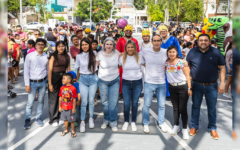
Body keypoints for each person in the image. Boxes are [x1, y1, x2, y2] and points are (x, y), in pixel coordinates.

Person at [187, 34, 225, 140]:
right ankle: (194, 126)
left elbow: (222, 67)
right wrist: (188, 86)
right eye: (201, 40)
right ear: (197, 41)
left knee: (212, 108)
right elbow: (186, 68)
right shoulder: (192, 51)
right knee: (195, 106)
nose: (203, 42)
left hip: (212, 86)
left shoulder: (216, 52)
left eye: (205, 40)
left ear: (209, 41)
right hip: (196, 85)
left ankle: (212, 128)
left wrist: (222, 83)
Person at [142, 34, 168, 134]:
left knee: (161, 105)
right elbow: (135, 56)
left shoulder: (165, 52)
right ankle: (145, 123)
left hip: (161, 83)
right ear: (152, 42)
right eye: (154, 41)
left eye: (158, 41)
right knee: (146, 105)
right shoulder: (145, 51)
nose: (156, 42)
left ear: (161, 42)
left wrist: (184, 61)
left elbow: (175, 58)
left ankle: (161, 123)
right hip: (149, 82)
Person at [165, 46, 191, 140]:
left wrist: (189, 88)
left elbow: (188, 76)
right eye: (170, 52)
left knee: (182, 108)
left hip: (182, 87)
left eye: (173, 52)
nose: (171, 53)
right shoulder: (166, 62)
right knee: (175, 108)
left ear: (177, 53)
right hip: (172, 87)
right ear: (167, 53)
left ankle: (184, 129)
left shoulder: (182, 62)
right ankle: (176, 125)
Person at [23, 38, 49, 129]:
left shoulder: (46, 56)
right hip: (32, 83)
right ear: (35, 45)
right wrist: (27, 84)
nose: (40, 46)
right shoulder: (29, 56)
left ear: (45, 46)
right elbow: (26, 71)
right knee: (30, 102)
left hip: (43, 82)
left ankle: (38, 117)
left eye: (42, 44)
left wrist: (47, 82)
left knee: (41, 101)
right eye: (39, 44)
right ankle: (27, 119)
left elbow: (47, 70)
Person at [119, 40, 144, 132]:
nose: (130, 49)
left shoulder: (140, 57)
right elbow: (116, 67)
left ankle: (133, 121)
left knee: (134, 103)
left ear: (135, 48)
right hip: (126, 82)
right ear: (126, 48)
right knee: (126, 104)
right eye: (128, 47)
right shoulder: (122, 58)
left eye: (132, 47)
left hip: (137, 83)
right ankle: (126, 121)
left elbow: (149, 65)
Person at [96, 37, 120, 131]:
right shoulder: (99, 54)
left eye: (111, 44)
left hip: (115, 80)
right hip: (102, 81)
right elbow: (95, 66)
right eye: (107, 44)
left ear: (113, 45)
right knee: (105, 103)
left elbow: (120, 64)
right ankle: (106, 120)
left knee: (113, 103)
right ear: (104, 45)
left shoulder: (117, 53)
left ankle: (113, 122)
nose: (109, 46)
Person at [75, 38, 98, 132]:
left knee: (91, 101)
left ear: (90, 45)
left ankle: (91, 118)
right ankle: (82, 121)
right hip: (83, 79)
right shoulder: (79, 56)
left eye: (86, 44)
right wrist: (76, 80)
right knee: (84, 102)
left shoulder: (95, 54)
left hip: (93, 78)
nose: (84, 46)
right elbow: (78, 69)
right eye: (83, 44)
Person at [48, 41, 71, 127]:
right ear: (56, 47)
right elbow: (50, 70)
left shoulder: (67, 56)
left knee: (63, 98)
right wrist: (50, 84)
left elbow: (68, 69)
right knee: (53, 99)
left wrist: (70, 81)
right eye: (59, 46)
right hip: (54, 78)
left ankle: (62, 117)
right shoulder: (53, 56)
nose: (61, 48)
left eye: (62, 46)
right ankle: (53, 119)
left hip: (64, 79)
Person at [116, 25, 139, 99]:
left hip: (132, 61)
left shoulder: (135, 40)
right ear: (124, 31)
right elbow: (117, 51)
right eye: (127, 31)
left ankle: (131, 92)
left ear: (132, 32)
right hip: (123, 61)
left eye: (130, 31)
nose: (128, 32)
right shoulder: (120, 40)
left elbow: (137, 51)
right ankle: (121, 92)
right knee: (122, 77)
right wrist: (122, 54)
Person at [159, 25, 182, 97]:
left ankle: (172, 93)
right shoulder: (158, 40)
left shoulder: (173, 39)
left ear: (167, 32)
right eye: (161, 31)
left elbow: (178, 48)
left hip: (172, 61)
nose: (163, 32)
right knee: (163, 77)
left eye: (164, 31)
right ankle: (164, 93)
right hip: (162, 62)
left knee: (173, 76)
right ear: (160, 33)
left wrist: (179, 59)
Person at [58, 73, 77, 138]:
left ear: (69, 80)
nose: (62, 80)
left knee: (72, 120)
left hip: (70, 108)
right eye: (62, 78)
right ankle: (66, 130)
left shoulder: (73, 88)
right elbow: (60, 97)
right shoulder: (61, 88)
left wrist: (74, 108)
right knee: (65, 119)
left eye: (64, 78)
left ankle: (73, 131)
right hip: (63, 108)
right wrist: (59, 106)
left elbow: (74, 99)